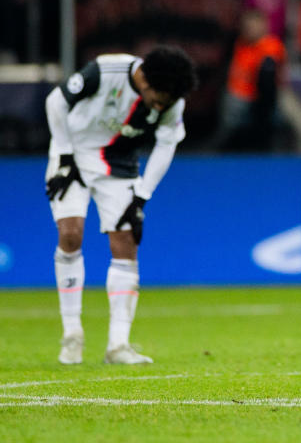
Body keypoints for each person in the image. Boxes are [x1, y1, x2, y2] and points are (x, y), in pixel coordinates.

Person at [45, 46, 197, 365]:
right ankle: (72, 333)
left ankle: (118, 345)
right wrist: (65, 152)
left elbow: (167, 144)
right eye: (157, 97)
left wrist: (142, 195)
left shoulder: (172, 98)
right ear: (144, 77)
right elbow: (55, 102)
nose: (160, 106)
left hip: (118, 165)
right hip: (72, 155)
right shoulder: (105, 70)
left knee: (126, 242)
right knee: (71, 235)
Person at [216, 9, 289, 151]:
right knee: (230, 104)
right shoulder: (237, 44)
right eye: (248, 26)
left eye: (255, 25)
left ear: (264, 26)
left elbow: (267, 80)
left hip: (269, 95)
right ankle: (221, 148)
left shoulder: (272, 45)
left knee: (295, 117)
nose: (251, 29)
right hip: (238, 94)